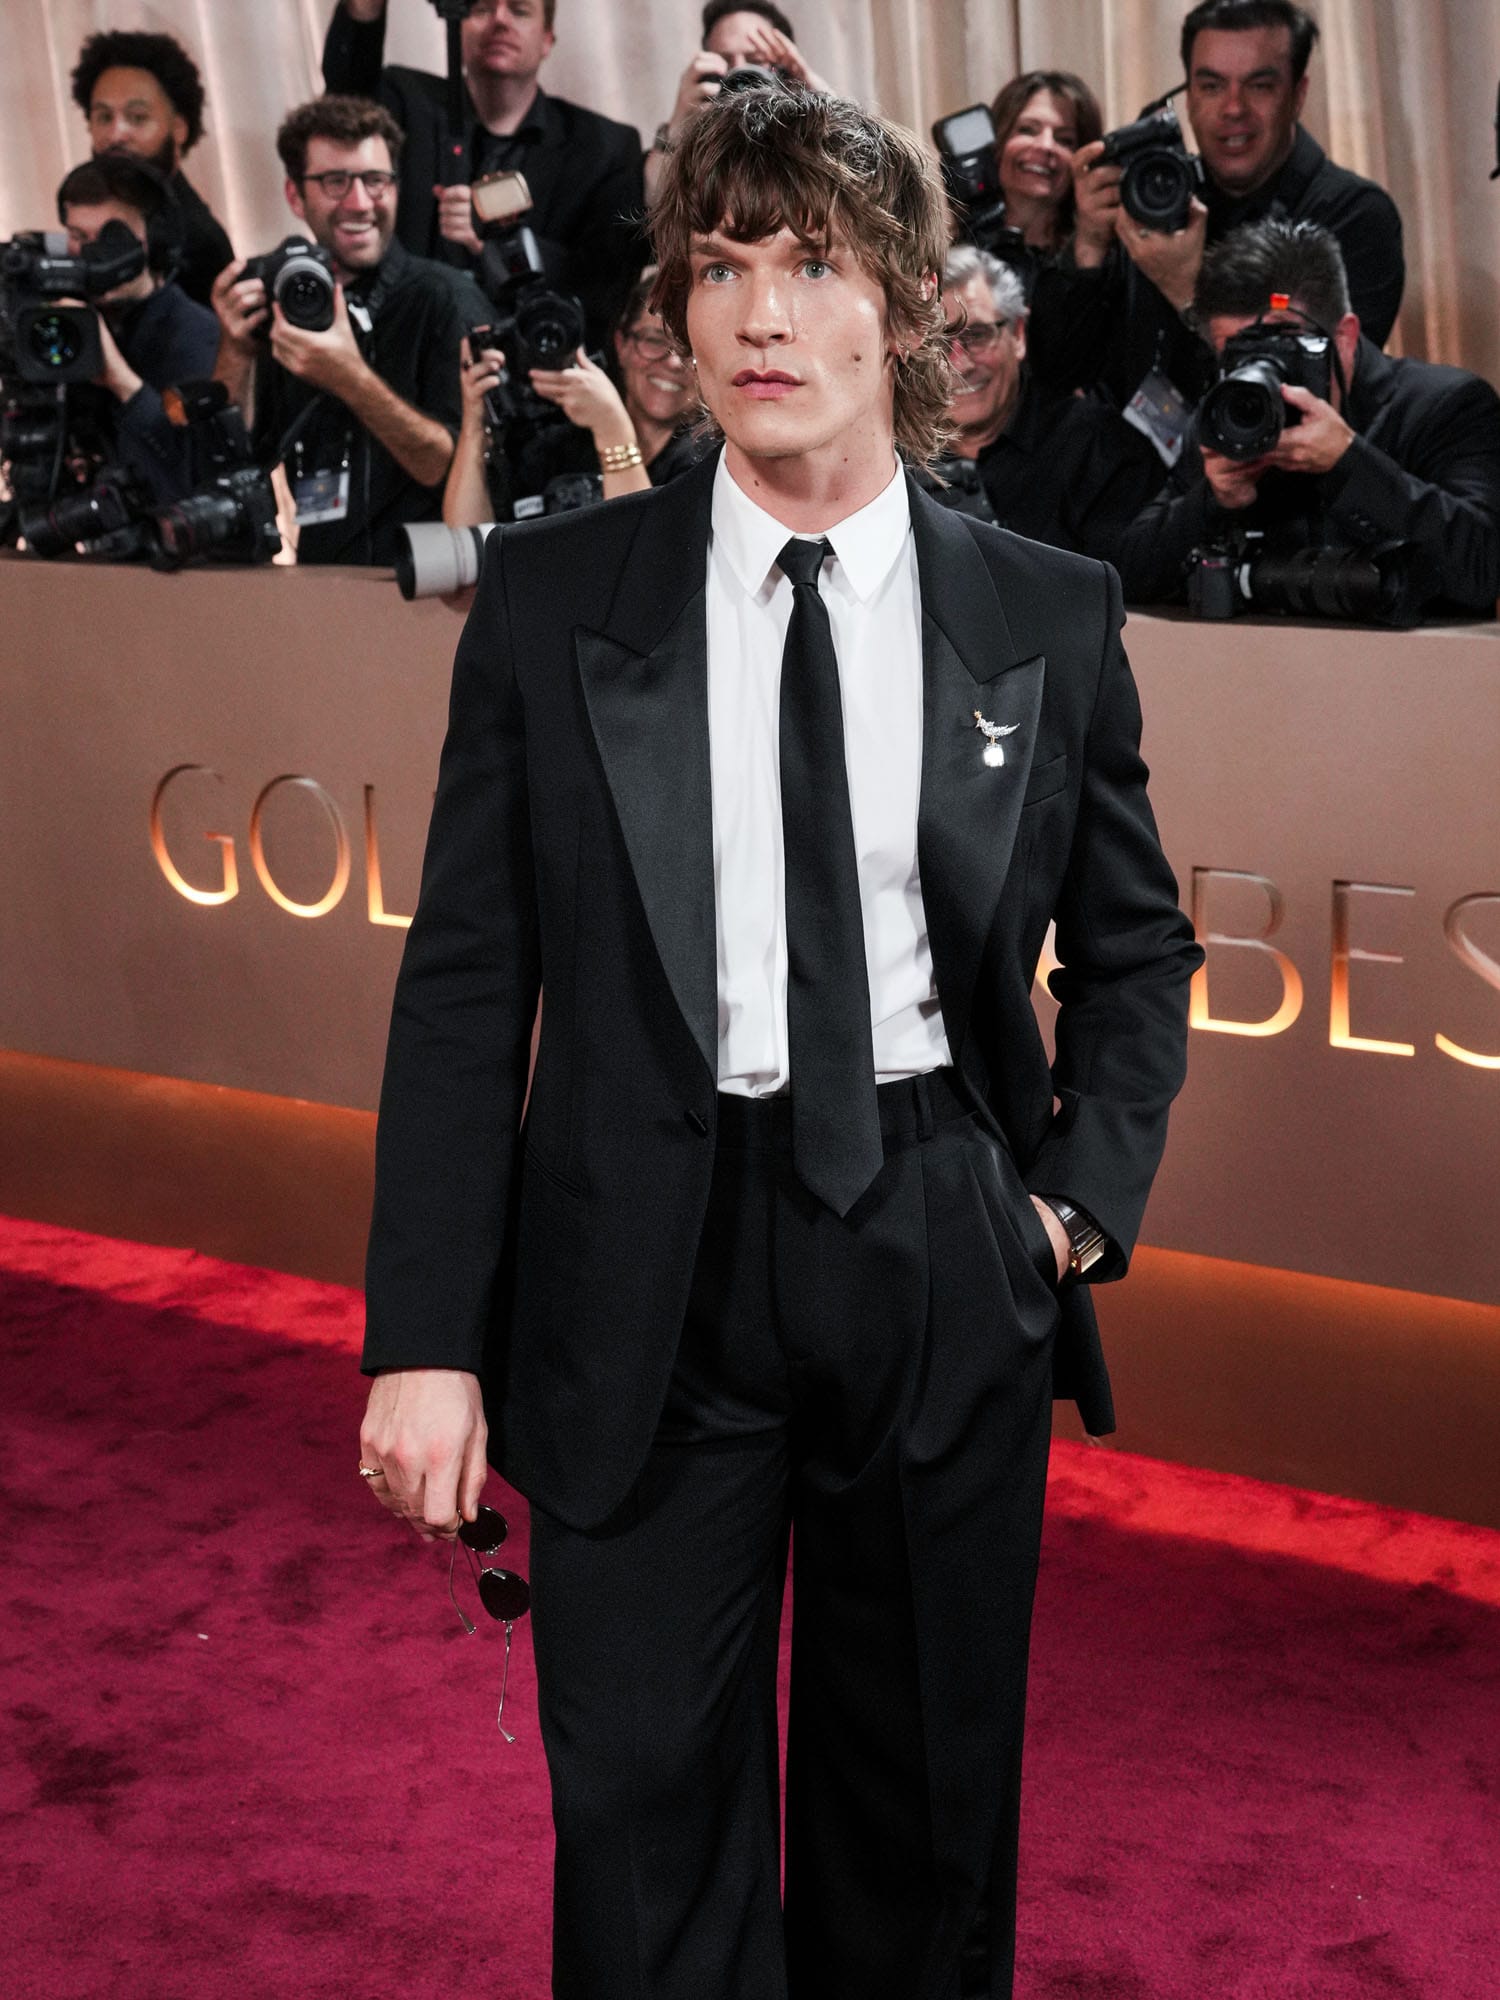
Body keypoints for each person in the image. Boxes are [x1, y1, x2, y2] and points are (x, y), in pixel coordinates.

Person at [356, 82, 1199, 2000]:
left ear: (897, 306)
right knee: (643, 1829)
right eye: (719, 267)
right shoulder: (558, 600)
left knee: (922, 1833)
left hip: (938, 1242)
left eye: (810, 266)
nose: (756, 315)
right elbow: (468, 981)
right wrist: (424, 1333)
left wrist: (1063, 1214)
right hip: (637, 1264)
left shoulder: (1047, 611)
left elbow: (1136, 950)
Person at [1028, 0, 1405, 421]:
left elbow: (1334, 391)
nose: (1233, 108)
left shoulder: (1355, 215)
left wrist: (1187, 292)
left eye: (1259, 86)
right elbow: (1055, 372)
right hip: (1134, 461)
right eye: (1211, 86)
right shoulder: (1157, 195)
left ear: (1298, 95)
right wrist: (1088, 247)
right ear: (1188, 97)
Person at [1113, 218, 1500, 617]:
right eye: (1239, 356)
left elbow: (1485, 570)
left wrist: (1349, 462)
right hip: (1258, 654)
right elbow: (1128, 578)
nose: (1260, 374)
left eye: (1281, 348)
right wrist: (1213, 500)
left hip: (1423, 653)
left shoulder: (1445, 405)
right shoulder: (1231, 419)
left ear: (1344, 338)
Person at [210, 96, 489, 567]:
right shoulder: (285, 302)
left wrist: (350, 379)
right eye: (335, 182)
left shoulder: (444, 298)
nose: (360, 203)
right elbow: (230, 464)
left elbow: (455, 469)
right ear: (295, 196)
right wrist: (235, 349)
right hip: (321, 579)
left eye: (375, 180)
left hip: (432, 583)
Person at [321, 0, 645, 344]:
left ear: (547, 39)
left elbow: (605, 278)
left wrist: (496, 243)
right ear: (457, 25)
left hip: (531, 354)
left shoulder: (603, 147)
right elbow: (344, 98)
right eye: (482, 8)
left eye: (519, 10)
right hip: (402, 343)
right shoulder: (405, 101)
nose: (499, 20)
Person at [930, 244, 1164, 557]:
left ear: (1018, 334)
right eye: (939, 343)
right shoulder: (889, 461)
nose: (961, 364)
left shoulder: (1099, 450)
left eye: (977, 335)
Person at [444, 266, 705, 526]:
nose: (673, 363)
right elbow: (469, 536)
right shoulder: (557, 445)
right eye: (655, 340)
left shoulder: (710, 462)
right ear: (622, 345)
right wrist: (475, 424)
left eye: (690, 349)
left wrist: (612, 430)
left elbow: (645, 548)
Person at [55, 154, 219, 505]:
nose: (92, 253)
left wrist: (122, 382)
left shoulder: (197, 335)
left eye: (111, 236)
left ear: (154, 239)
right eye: (78, 236)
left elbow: (193, 481)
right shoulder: (63, 325)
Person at [70, 29, 234, 310]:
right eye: (104, 117)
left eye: (137, 118)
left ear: (179, 128)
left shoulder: (199, 245)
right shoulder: (88, 219)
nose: (116, 134)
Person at [644, 2, 830, 200]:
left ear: (786, 73)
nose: (740, 71)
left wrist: (823, 102)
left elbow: (851, 191)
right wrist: (678, 123)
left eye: (755, 61)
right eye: (725, 61)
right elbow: (650, 202)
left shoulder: (808, 138)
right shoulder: (699, 151)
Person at [987, 69, 1102, 260]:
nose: (1046, 145)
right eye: (1028, 130)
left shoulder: (1101, 254)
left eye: (1064, 140)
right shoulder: (955, 250)